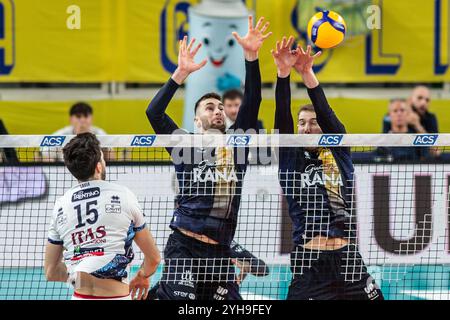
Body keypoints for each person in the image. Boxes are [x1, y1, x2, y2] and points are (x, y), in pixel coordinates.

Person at [146, 15, 271, 300]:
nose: (217, 111)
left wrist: (251, 57)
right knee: (181, 302)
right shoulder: (184, 144)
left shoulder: (237, 146)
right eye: (209, 107)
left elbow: (253, 102)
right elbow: (153, 112)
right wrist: (179, 74)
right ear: (196, 118)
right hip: (184, 246)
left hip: (219, 251)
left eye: (220, 108)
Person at [272, 36, 383, 300]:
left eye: (313, 122)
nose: (306, 128)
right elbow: (281, 115)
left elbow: (327, 113)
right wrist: (283, 73)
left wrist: (308, 73)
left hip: (348, 260)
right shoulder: (290, 156)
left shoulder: (338, 150)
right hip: (310, 263)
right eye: (302, 123)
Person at [44, 133, 160, 300]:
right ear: (99, 167)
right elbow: (154, 258)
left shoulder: (61, 205)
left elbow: (51, 272)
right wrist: (142, 276)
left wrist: (79, 274)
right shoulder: (123, 196)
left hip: (79, 296)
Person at [145, 241, 270, 300]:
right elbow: (168, 282)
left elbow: (264, 269)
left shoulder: (226, 245)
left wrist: (248, 267)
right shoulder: (183, 248)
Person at [39, 102, 114, 162]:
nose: (82, 120)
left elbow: (111, 156)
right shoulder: (60, 135)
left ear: (92, 118)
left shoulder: (100, 134)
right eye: (78, 116)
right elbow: (44, 154)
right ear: (71, 119)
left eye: (86, 116)